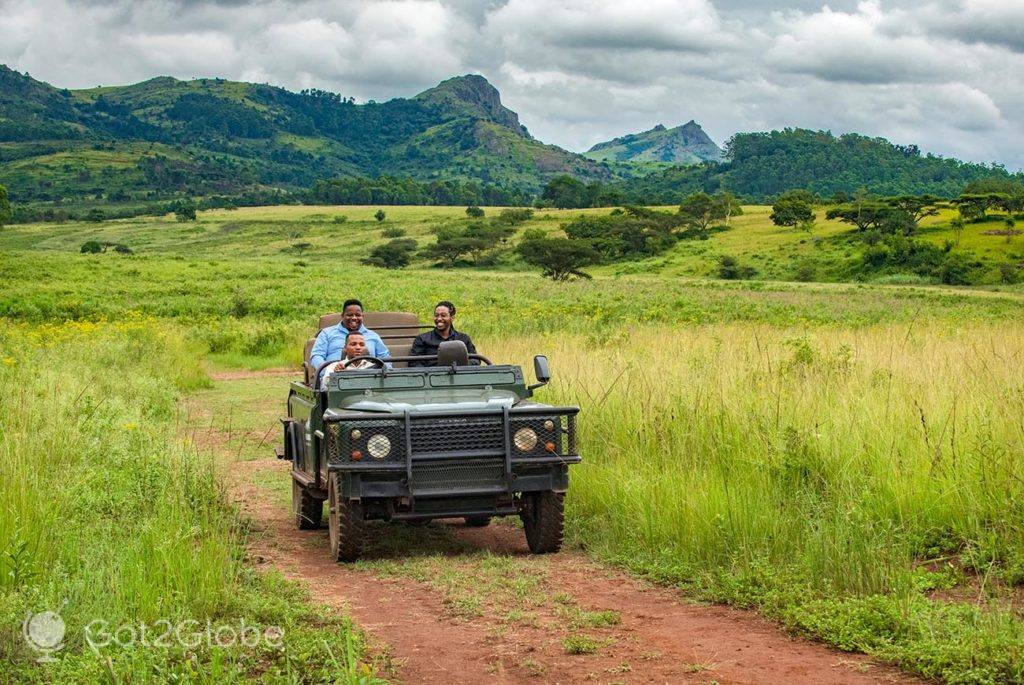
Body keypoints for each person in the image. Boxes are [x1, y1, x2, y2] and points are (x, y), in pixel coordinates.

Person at [309, 299, 390, 380]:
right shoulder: (327, 333)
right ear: (342, 316)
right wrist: (329, 372)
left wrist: (386, 373)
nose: (354, 318)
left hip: (369, 379)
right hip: (336, 379)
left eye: (358, 315)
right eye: (350, 315)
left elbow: (385, 357)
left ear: (362, 316)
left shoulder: (373, 336)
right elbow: (317, 356)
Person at [409, 300, 477, 366]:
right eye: (436, 315)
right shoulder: (422, 339)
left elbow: (475, 360)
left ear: (452, 318)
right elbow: (414, 363)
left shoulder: (463, 338)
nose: (439, 319)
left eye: (443, 315)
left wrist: (462, 365)